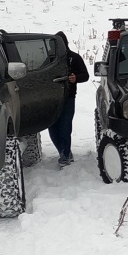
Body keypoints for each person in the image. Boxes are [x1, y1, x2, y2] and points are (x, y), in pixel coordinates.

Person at [48, 36, 90, 166]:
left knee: (65, 127)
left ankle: (65, 155)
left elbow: (86, 76)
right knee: (52, 127)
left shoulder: (74, 58)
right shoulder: (48, 60)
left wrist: (75, 78)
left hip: (68, 97)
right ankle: (63, 152)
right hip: (51, 99)